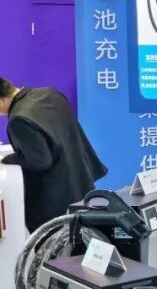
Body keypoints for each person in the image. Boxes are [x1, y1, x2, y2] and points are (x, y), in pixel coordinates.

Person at [0, 78, 108, 232]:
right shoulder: (51, 94)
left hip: (54, 201)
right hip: (80, 181)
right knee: (83, 236)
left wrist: (8, 159)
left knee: (56, 244)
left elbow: (39, 161)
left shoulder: (19, 119)